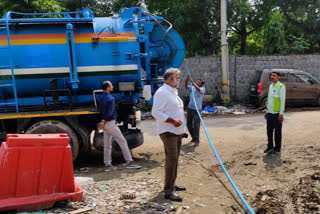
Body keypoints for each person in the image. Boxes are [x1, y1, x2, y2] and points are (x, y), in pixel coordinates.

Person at [151, 68, 187, 202]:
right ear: (170, 79)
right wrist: (171, 121)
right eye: (177, 77)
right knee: (171, 160)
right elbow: (155, 112)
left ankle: (171, 184)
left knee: (174, 160)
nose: (178, 80)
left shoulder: (173, 92)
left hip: (177, 132)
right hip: (168, 132)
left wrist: (183, 129)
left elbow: (178, 111)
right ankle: (168, 191)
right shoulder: (162, 93)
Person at [97, 81, 134, 169]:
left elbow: (101, 110)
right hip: (110, 123)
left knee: (107, 145)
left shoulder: (100, 97)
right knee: (122, 142)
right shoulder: (111, 98)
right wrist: (104, 122)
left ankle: (107, 163)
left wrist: (103, 122)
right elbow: (109, 113)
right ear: (108, 88)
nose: (112, 86)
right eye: (111, 85)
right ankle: (129, 160)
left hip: (105, 123)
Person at [264, 71, 286, 155]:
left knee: (277, 132)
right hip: (270, 113)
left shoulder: (281, 87)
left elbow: (282, 100)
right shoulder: (270, 86)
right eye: (272, 75)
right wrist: (266, 111)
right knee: (269, 131)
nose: (272, 77)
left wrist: (281, 113)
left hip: (277, 113)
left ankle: (277, 149)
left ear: (278, 77)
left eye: (274, 75)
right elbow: (269, 100)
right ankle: (270, 146)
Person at [184, 75, 205, 147]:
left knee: (196, 125)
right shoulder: (192, 88)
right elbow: (186, 86)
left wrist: (191, 81)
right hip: (190, 108)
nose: (197, 82)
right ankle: (193, 137)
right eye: (197, 81)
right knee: (188, 124)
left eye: (199, 82)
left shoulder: (202, 89)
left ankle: (197, 141)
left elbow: (198, 88)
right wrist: (187, 79)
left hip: (197, 109)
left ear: (201, 84)